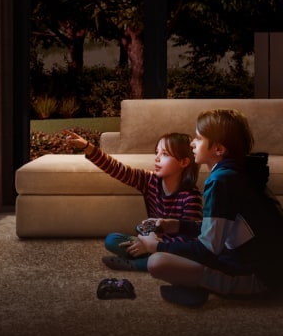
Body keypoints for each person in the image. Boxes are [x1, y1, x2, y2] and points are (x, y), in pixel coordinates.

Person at [137, 108, 283, 307]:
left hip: (257, 279)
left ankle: (199, 286)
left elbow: (207, 250)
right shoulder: (235, 172)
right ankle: (192, 282)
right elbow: (223, 230)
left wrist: (156, 246)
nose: (192, 143)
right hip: (261, 267)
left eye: (198, 138)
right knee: (170, 254)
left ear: (219, 149)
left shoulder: (220, 182)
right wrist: (177, 225)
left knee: (157, 262)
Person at [64, 129, 203, 272]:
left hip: (173, 249)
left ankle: (138, 264)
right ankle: (146, 258)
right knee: (112, 240)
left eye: (165, 154)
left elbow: (190, 239)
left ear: (184, 162)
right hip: (150, 240)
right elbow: (117, 169)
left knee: (180, 258)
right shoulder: (149, 180)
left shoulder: (191, 196)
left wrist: (155, 245)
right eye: (157, 153)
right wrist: (88, 147)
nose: (157, 158)